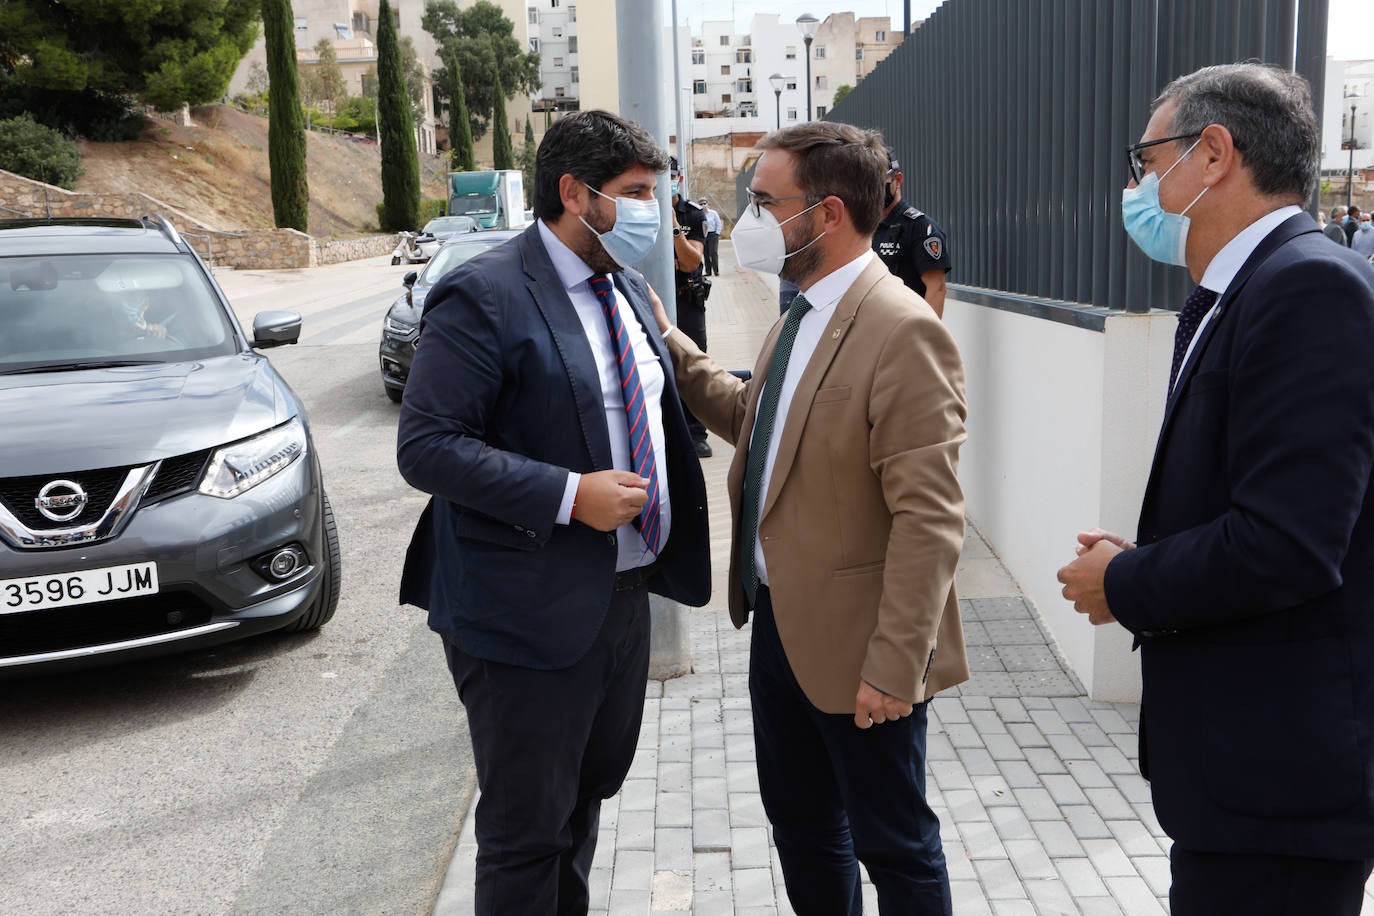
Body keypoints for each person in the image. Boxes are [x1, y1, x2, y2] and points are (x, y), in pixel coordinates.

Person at [1057, 63, 1374, 915]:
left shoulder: (1306, 288)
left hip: (1283, 787)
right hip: (1250, 781)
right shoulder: (1253, 288)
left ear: (1212, 154)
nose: (1138, 185)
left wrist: (1124, 582)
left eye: (1147, 158)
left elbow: (1289, 543)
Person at [648, 121, 969, 915]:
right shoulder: (803, 313)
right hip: (780, 627)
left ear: (824, 214)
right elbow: (758, 427)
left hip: (865, 653)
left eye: (764, 202)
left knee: (894, 845)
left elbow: (929, 521)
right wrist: (672, 345)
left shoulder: (902, 331)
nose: (749, 218)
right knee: (802, 824)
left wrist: (897, 665)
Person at [396, 109, 711, 915]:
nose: (653, 211)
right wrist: (573, 496)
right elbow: (427, 447)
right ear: (574, 193)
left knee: (580, 813)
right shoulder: (485, 292)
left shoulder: (631, 289)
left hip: (620, 601)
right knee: (524, 836)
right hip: (521, 616)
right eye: (637, 193)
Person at [871, 148, 952, 316]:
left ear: (897, 180)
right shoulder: (865, 227)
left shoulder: (921, 228)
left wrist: (925, 337)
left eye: (878, 181)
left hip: (905, 330)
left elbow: (937, 289)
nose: (872, 190)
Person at [670, 157, 713, 457]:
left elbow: (689, 262)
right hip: (652, 298)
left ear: (679, 180)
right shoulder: (637, 212)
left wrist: (674, 228)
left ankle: (696, 432)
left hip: (687, 300)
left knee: (692, 364)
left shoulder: (694, 216)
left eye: (670, 177)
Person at [700, 197, 722, 276]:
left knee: (713, 253)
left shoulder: (713, 213)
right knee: (706, 254)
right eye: (701, 204)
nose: (703, 205)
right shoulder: (699, 213)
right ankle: (708, 272)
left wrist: (717, 233)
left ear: (707, 204)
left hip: (713, 234)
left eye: (704, 203)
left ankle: (716, 271)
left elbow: (718, 223)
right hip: (703, 235)